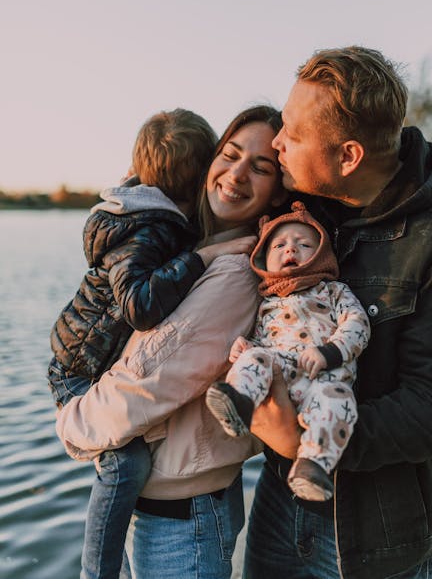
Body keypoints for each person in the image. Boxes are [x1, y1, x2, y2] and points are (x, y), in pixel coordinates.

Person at [243, 46, 432, 579]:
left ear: (349, 156)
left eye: (293, 131)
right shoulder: (303, 213)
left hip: (385, 535)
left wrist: (304, 439)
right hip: (280, 509)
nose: (277, 141)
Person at [54, 105, 287, 579]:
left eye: (261, 167)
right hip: (165, 511)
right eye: (231, 154)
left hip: (185, 523)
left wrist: (71, 423)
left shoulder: (236, 268)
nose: (237, 174)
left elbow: (143, 385)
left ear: (279, 190)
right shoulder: (184, 243)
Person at [206, 200, 370, 501]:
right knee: (253, 358)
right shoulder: (267, 304)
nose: (290, 249)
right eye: (279, 245)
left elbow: (358, 323)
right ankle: (240, 402)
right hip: (281, 373)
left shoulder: (333, 291)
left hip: (323, 378)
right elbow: (264, 344)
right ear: (264, 262)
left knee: (339, 402)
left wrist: (331, 351)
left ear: (322, 254)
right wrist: (246, 348)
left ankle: (312, 465)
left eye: (304, 244)